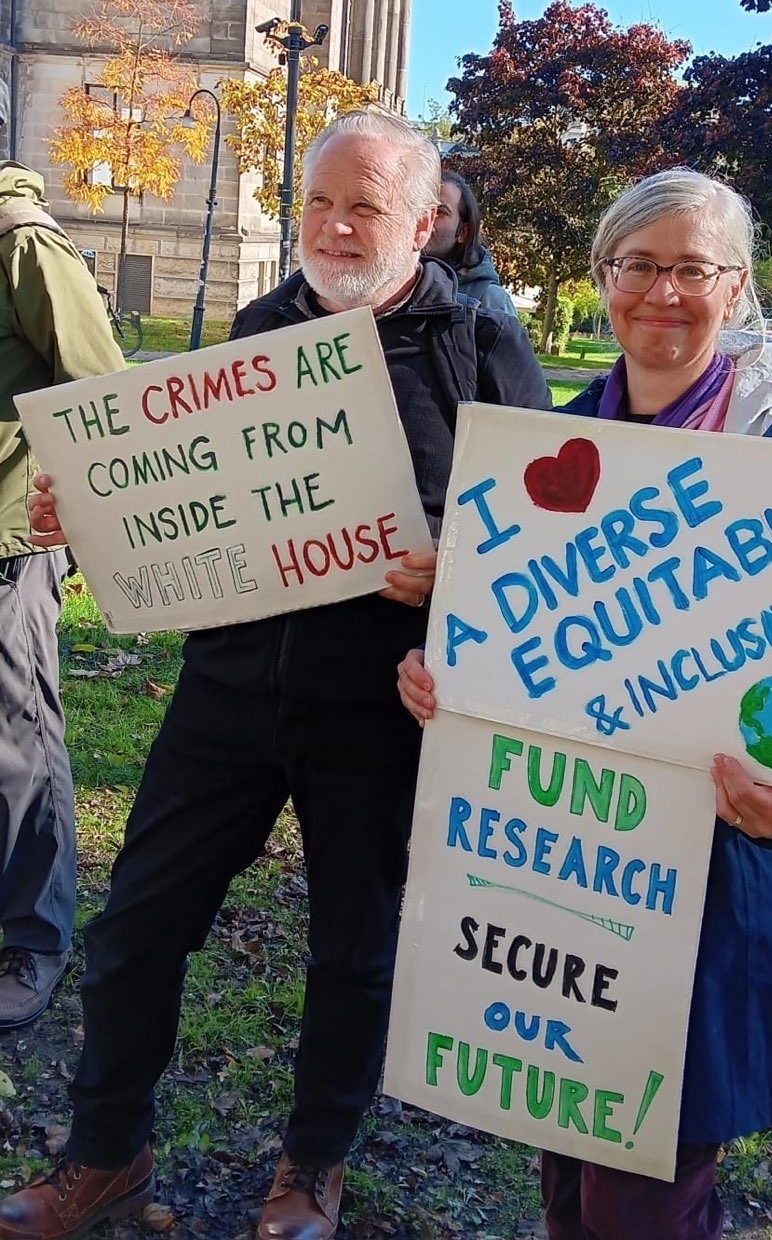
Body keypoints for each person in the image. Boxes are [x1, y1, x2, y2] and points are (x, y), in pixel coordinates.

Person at [0, 111, 550, 1240]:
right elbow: (191, 489)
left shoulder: (478, 346)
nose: (338, 227)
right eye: (319, 203)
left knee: (354, 944)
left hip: (381, 704)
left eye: (367, 206)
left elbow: (541, 544)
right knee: (136, 925)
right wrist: (87, 510)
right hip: (232, 683)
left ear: (425, 219)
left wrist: (456, 569)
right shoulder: (260, 326)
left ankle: (313, 1164)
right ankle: (105, 1158)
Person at [396, 167, 772, 1240]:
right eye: (639, 266)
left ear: (738, 285)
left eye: (693, 270)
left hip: (710, 885)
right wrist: (444, 682)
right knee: (571, 1172)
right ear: (603, 276)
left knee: (646, 1196)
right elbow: (499, 639)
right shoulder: (545, 455)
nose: (663, 293)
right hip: (561, 872)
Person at [0, 78, 125, 1032]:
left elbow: (102, 404)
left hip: (13, 536)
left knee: (17, 738)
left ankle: (31, 938)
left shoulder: (25, 249)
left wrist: (81, 533)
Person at [424, 170, 518, 316]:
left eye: (440, 212)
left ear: (463, 232)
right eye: (423, 207)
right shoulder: (395, 285)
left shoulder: (490, 300)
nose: (426, 218)